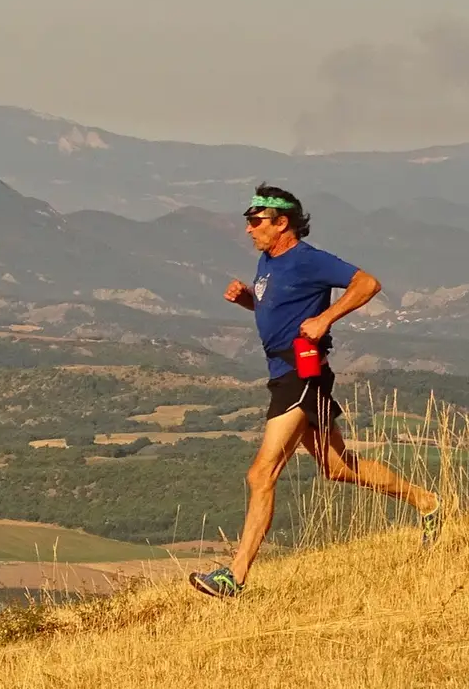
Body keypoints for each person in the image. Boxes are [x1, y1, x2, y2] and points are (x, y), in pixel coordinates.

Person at [189, 185, 441, 599]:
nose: (249, 229)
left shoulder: (308, 259)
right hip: (288, 373)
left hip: (300, 375)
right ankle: (428, 503)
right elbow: (278, 308)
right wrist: (247, 300)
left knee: (261, 473)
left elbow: (367, 283)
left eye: (256, 222)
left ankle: (233, 577)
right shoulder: (268, 261)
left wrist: (326, 318)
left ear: (281, 223)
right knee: (337, 467)